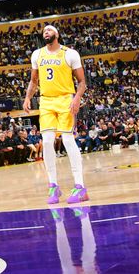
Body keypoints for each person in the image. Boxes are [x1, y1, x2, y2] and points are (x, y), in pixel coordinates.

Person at [23, 25, 89, 204]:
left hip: (65, 99)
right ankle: (53, 185)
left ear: (57, 35)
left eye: (50, 30)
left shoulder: (70, 53)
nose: (46, 32)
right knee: (46, 141)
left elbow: (82, 82)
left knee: (67, 140)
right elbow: (33, 80)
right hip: (46, 101)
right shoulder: (37, 54)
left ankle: (80, 187)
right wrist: (28, 98)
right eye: (44, 30)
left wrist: (76, 98)